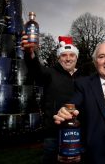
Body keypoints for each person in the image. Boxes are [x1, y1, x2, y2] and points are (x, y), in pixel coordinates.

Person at [22, 35, 83, 164]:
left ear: (76, 57)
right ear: (58, 58)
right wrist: (30, 54)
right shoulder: (50, 73)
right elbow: (35, 70)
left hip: (78, 132)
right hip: (53, 134)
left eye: (71, 55)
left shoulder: (84, 77)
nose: (68, 59)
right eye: (64, 55)